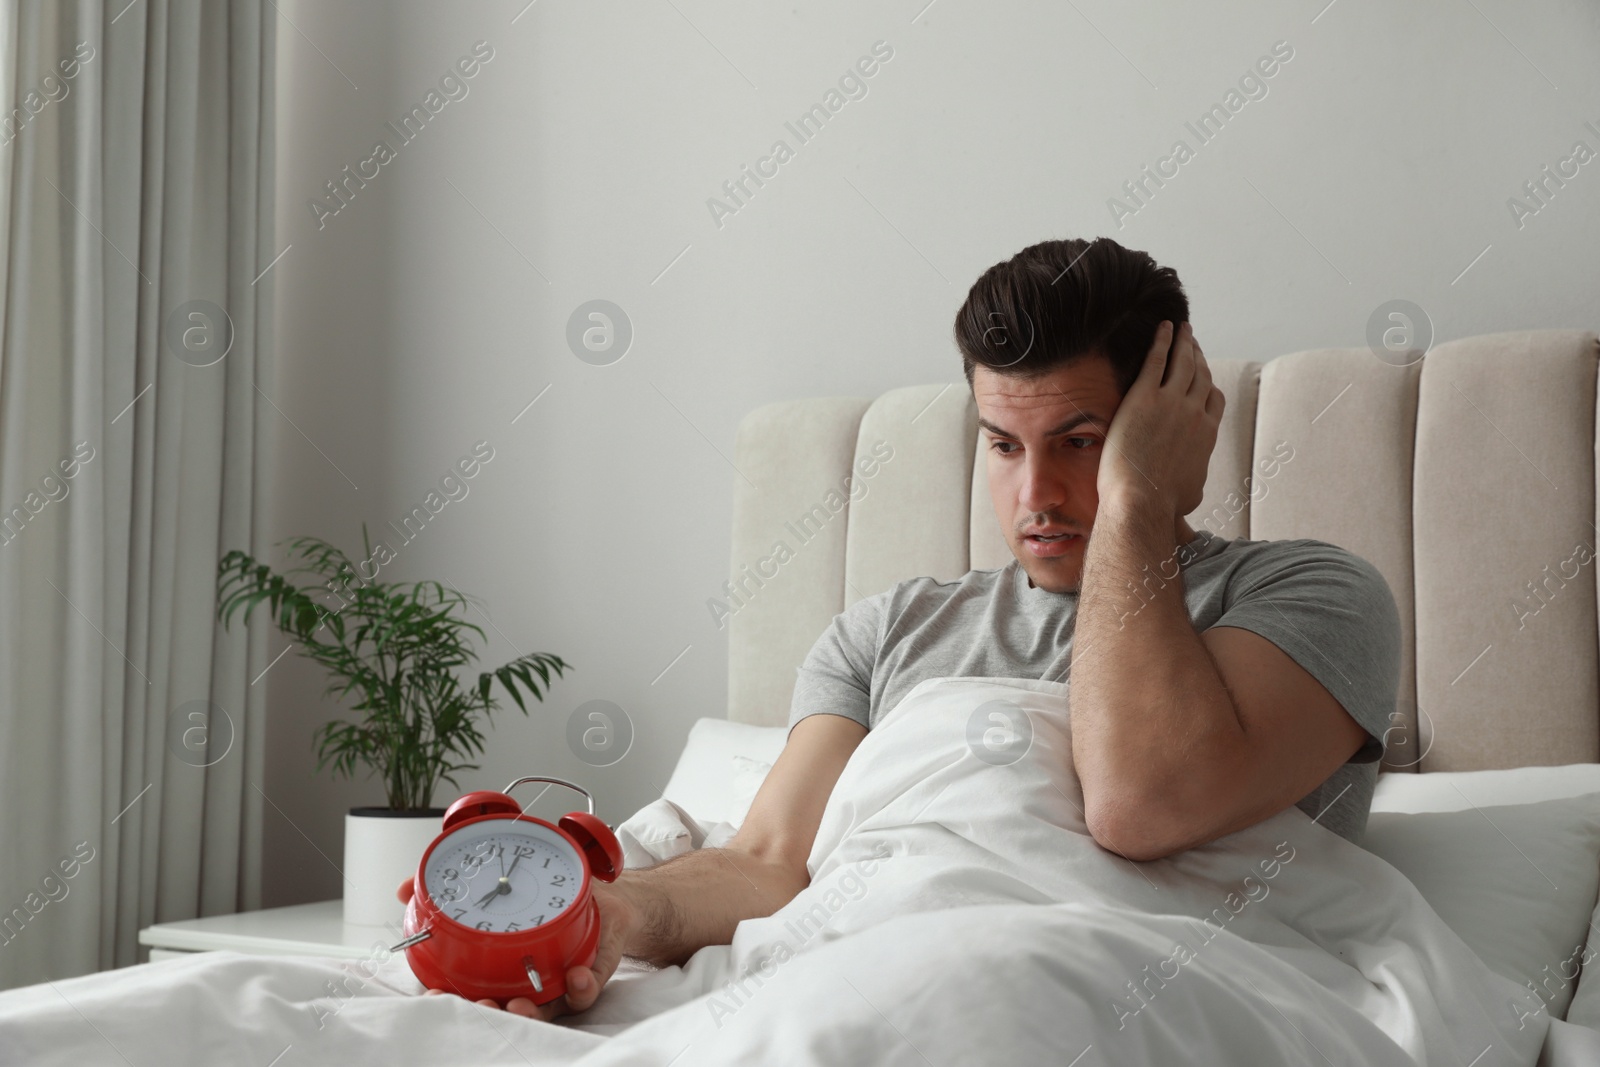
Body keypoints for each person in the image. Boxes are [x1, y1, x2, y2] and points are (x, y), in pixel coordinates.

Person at [400, 236, 1401, 1022]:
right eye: (1002, 444)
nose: (1036, 491)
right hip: (863, 975)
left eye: (1081, 443)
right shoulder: (886, 630)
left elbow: (1139, 802)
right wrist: (618, 916)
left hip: (1126, 994)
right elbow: (769, 861)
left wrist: (1137, 501)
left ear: (1169, 424)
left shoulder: (1312, 595)